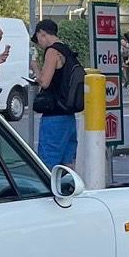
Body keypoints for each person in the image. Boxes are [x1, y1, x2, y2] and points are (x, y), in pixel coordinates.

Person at [31, 18, 79, 169]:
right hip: (69, 116)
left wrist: (34, 66)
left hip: (54, 116)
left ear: (42, 33)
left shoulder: (52, 51)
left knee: (48, 164)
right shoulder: (68, 51)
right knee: (68, 163)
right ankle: (69, 190)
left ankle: (52, 191)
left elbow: (45, 82)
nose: (39, 43)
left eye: (38, 39)